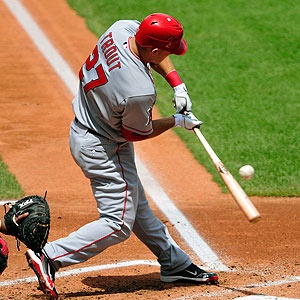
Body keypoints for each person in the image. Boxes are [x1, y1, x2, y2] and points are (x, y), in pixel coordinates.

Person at [25, 13, 218, 298]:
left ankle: (174, 264)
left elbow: (154, 49)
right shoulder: (137, 91)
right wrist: (177, 121)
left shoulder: (121, 30)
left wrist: (177, 83)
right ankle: (50, 256)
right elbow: (137, 133)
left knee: (136, 205)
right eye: (168, 50)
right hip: (104, 148)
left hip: (91, 126)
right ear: (153, 50)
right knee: (117, 223)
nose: (171, 54)